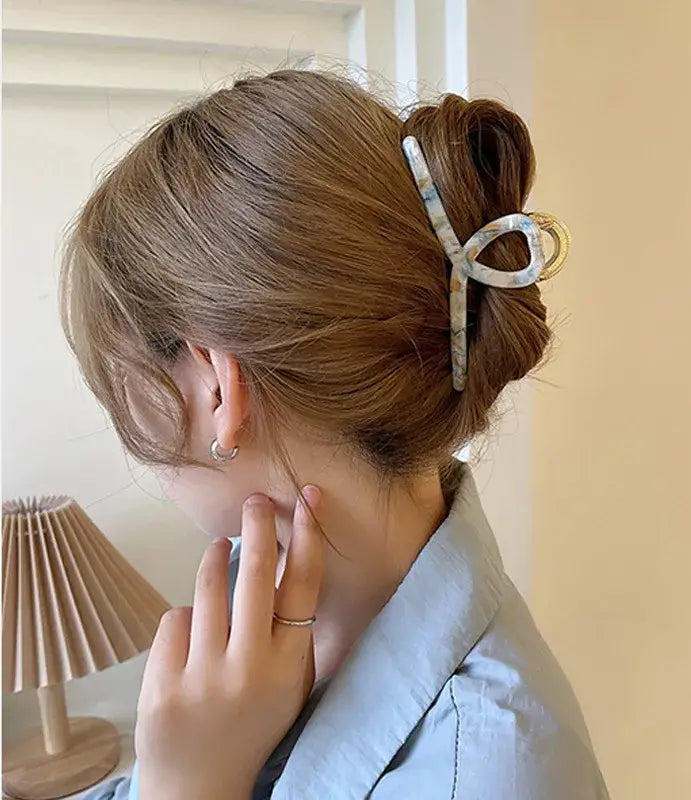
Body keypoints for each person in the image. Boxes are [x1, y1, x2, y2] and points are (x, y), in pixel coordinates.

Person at [63, 69, 609, 799]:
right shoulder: (256, 586)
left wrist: (186, 784)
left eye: (123, 384)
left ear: (217, 387)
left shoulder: (486, 773)